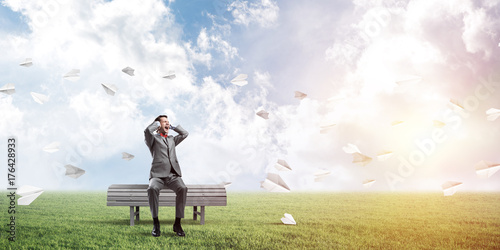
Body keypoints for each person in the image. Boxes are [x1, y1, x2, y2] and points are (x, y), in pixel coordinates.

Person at [144, 115, 189, 237]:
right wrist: (157, 123)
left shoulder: (172, 139)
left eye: (168, 122)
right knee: (152, 189)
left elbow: (185, 134)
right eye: (164, 122)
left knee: (183, 188)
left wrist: (172, 127)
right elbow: (147, 131)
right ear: (158, 126)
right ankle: (156, 223)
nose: (167, 123)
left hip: (172, 175)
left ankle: (177, 224)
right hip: (157, 175)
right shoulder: (152, 139)